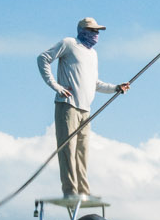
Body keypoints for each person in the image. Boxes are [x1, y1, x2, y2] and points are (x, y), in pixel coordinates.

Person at [38, 17, 129, 199]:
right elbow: (43, 59)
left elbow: (94, 83)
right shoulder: (69, 44)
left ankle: (83, 192)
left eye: (97, 32)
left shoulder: (93, 55)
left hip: (85, 109)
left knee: (82, 152)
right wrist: (56, 86)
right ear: (83, 30)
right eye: (93, 31)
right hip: (68, 106)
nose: (96, 35)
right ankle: (70, 192)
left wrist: (115, 88)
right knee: (68, 150)